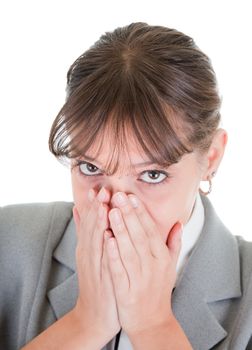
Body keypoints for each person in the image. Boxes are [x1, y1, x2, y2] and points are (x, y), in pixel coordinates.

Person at [0, 22, 252, 350]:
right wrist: (86, 324)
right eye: (91, 167)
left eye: (152, 175)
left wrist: (154, 327)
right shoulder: (9, 243)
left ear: (212, 156)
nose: (115, 207)